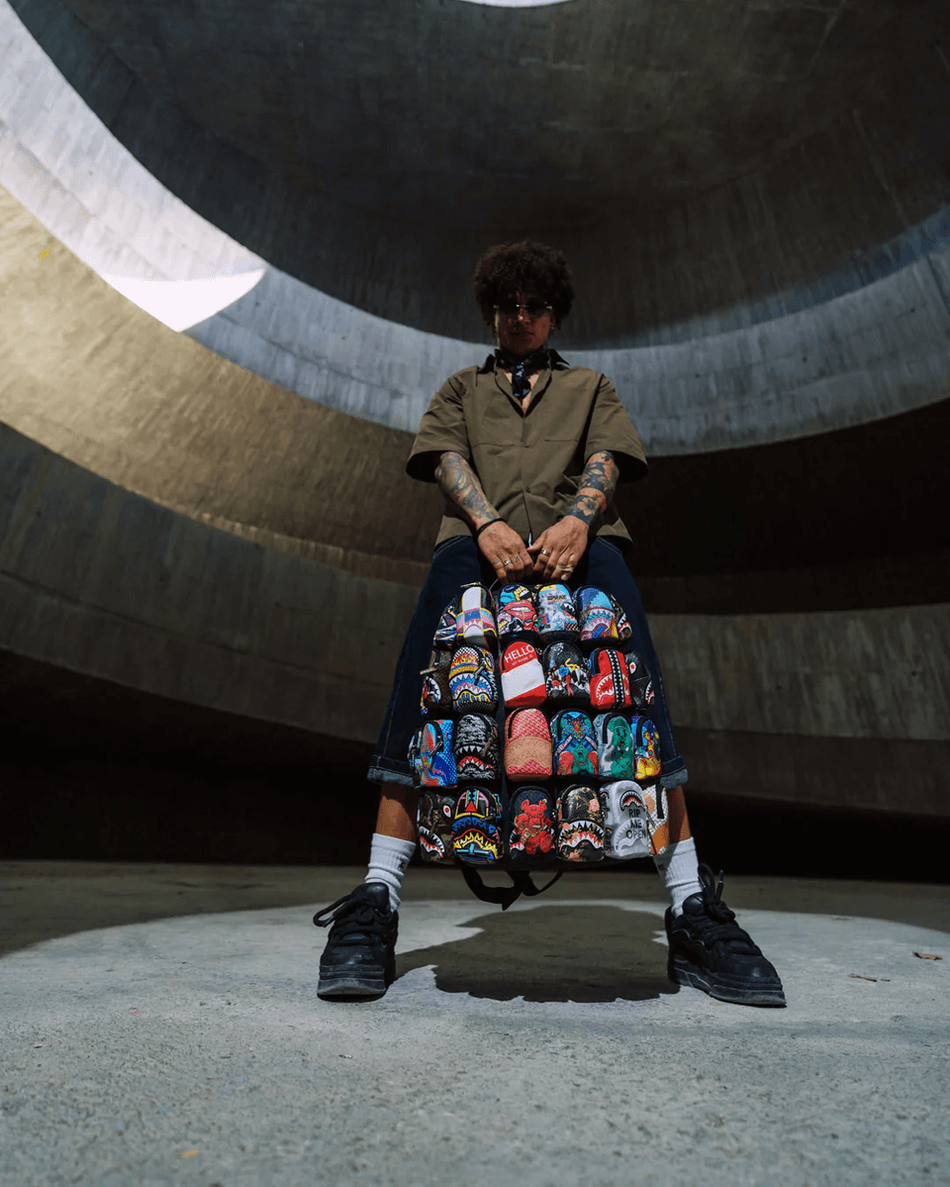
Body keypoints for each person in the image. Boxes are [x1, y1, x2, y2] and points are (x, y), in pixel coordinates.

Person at [314, 242, 785, 1007]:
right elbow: (445, 460)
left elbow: (607, 461)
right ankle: (377, 897)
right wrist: (488, 524)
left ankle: (691, 907)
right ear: (492, 311)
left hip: (583, 540)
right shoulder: (462, 387)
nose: (519, 317)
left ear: (553, 313)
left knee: (637, 678)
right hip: (477, 540)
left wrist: (578, 521)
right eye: (507, 305)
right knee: (423, 672)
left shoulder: (591, 386)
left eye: (533, 306)